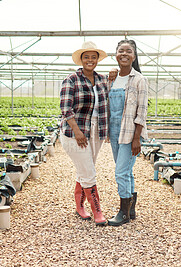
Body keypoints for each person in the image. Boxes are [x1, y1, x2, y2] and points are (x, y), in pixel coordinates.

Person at [59, 41, 109, 226]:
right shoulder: (71, 80)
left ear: (97, 60)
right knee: (88, 170)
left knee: (85, 168)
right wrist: (78, 131)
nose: (90, 60)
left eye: (93, 57)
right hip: (75, 132)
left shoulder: (103, 80)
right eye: (86, 57)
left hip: (96, 130)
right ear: (81, 59)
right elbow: (66, 109)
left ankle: (80, 207)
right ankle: (97, 211)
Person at [107, 39, 148, 227]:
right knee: (127, 171)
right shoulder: (112, 79)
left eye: (128, 51)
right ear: (116, 54)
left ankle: (123, 212)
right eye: (120, 51)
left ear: (134, 56)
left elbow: (142, 111)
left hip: (129, 133)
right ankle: (131, 210)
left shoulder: (139, 79)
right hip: (115, 131)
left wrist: (136, 138)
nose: (124, 54)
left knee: (120, 173)